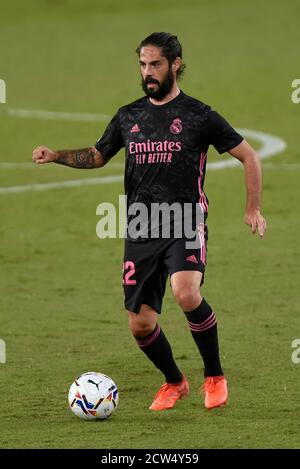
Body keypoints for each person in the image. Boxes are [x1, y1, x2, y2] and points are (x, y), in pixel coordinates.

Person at [32, 32, 267, 412]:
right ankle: (174, 382)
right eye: (143, 65)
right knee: (139, 324)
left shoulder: (199, 115)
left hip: (185, 220)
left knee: (186, 293)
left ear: (176, 65)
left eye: (155, 64)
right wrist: (56, 154)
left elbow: (250, 157)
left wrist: (252, 208)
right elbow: (96, 155)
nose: (148, 72)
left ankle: (215, 377)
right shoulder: (129, 116)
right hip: (142, 226)